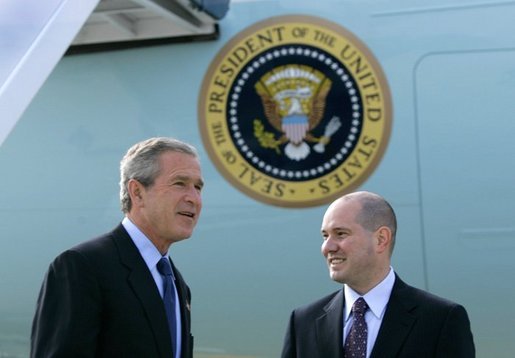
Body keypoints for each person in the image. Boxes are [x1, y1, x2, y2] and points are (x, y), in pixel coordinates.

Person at [31, 137, 204, 358]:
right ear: (137, 192)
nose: (194, 198)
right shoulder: (82, 267)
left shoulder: (176, 284)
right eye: (179, 183)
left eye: (198, 187)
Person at [281, 191, 475, 358]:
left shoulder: (441, 320)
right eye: (325, 236)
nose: (327, 247)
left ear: (381, 239)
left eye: (340, 234)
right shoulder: (302, 322)